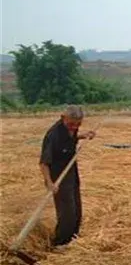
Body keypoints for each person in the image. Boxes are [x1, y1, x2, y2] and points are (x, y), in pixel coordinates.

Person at [39, 105, 96, 248]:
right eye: (71, 124)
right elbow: (43, 163)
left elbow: (70, 139)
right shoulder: (54, 135)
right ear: (63, 117)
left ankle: (73, 238)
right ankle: (60, 243)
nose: (74, 127)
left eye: (78, 124)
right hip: (58, 177)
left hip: (71, 171)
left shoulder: (71, 128)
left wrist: (83, 135)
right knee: (67, 212)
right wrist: (50, 183)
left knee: (77, 208)